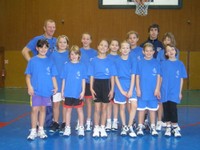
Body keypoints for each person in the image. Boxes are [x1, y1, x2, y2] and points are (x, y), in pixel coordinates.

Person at [22, 19, 57, 128]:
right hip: (38, 78)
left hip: (51, 75)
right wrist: (33, 63)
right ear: (44, 28)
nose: (51, 29)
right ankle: (37, 125)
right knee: (37, 106)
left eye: (53, 27)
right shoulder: (37, 39)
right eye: (49, 27)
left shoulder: (56, 41)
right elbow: (24, 51)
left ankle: (47, 123)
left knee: (49, 102)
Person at [25, 39, 58, 140]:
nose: (43, 49)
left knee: (43, 109)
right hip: (36, 90)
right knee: (35, 109)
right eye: (41, 47)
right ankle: (33, 130)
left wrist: (56, 86)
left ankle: (41, 130)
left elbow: (53, 76)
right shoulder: (32, 61)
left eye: (45, 47)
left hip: (46, 90)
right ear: (37, 48)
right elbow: (28, 76)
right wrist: (29, 86)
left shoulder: (50, 61)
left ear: (48, 48)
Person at [89, 39, 116, 138]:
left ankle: (102, 127)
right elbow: (91, 75)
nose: (103, 47)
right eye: (101, 45)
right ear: (98, 46)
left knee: (104, 108)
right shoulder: (93, 60)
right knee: (97, 108)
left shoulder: (110, 61)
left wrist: (112, 89)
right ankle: (96, 127)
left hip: (106, 85)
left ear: (108, 48)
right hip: (97, 84)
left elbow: (112, 76)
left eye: (105, 46)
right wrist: (91, 88)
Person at [160, 44, 187, 137]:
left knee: (173, 109)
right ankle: (168, 127)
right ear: (166, 53)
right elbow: (160, 77)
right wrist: (159, 89)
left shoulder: (180, 64)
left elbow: (181, 79)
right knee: (166, 109)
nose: (171, 52)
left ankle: (175, 127)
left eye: (172, 49)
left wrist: (179, 92)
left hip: (174, 91)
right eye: (168, 50)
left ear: (175, 51)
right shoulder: (163, 64)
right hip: (164, 90)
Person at [61, 45, 86, 137]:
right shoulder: (66, 65)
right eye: (72, 54)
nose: (74, 56)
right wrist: (62, 91)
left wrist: (83, 91)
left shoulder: (82, 66)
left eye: (76, 54)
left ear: (79, 55)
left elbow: (83, 79)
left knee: (80, 110)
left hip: (77, 92)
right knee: (68, 110)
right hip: (68, 92)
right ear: (69, 55)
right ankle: (67, 128)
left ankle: (81, 127)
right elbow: (64, 79)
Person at [156, 32, 179, 131]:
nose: (167, 41)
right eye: (165, 40)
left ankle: (173, 123)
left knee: (171, 103)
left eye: (169, 39)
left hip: (172, 82)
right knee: (161, 101)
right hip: (162, 79)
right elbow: (157, 64)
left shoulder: (176, 51)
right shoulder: (161, 52)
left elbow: (174, 64)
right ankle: (160, 120)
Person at [136, 43, 161, 136]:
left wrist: (157, 89)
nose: (148, 52)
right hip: (142, 91)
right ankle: (140, 126)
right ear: (143, 52)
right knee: (141, 110)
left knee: (152, 110)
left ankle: (153, 127)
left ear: (154, 52)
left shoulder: (156, 63)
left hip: (153, 91)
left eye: (150, 51)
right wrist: (138, 89)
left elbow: (159, 77)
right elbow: (137, 77)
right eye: (147, 51)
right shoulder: (140, 63)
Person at [114, 41, 137, 138]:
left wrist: (131, 89)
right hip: (120, 85)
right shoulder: (117, 61)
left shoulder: (132, 60)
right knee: (122, 107)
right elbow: (115, 77)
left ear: (130, 49)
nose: (125, 49)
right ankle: (124, 126)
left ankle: (130, 125)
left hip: (130, 84)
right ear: (120, 49)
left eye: (127, 48)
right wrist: (122, 90)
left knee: (134, 105)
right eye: (123, 47)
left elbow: (133, 76)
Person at [49, 35, 69, 133]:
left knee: (65, 105)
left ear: (67, 44)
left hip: (67, 84)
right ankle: (56, 122)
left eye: (64, 42)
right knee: (56, 104)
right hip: (56, 84)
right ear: (57, 44)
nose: (62, 44)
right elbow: (51, 69)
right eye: (60, 42)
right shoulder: (53, 55)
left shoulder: (70, 54)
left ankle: (65, 123)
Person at [78, 33, 97, 131]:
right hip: (79, 81)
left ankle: (89, 121)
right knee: (79, 101)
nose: (85, 40)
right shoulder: (78, 51)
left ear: (90, 41)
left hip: (89, 81)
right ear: (81, 40)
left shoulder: (94, 53)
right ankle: (79, 121)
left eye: (87, 39)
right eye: (84, 38)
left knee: (89, 101)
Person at [105, 39, 120, 131]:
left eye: (116, 45)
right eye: (112, 44)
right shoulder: (106, 57)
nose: (114, 46)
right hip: (107, 82)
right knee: (108, 103)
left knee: (115, 103)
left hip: (117, 83)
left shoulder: (120, 58)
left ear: (118, 47)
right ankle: (108, 121)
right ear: (109, 46)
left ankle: (115, 121)